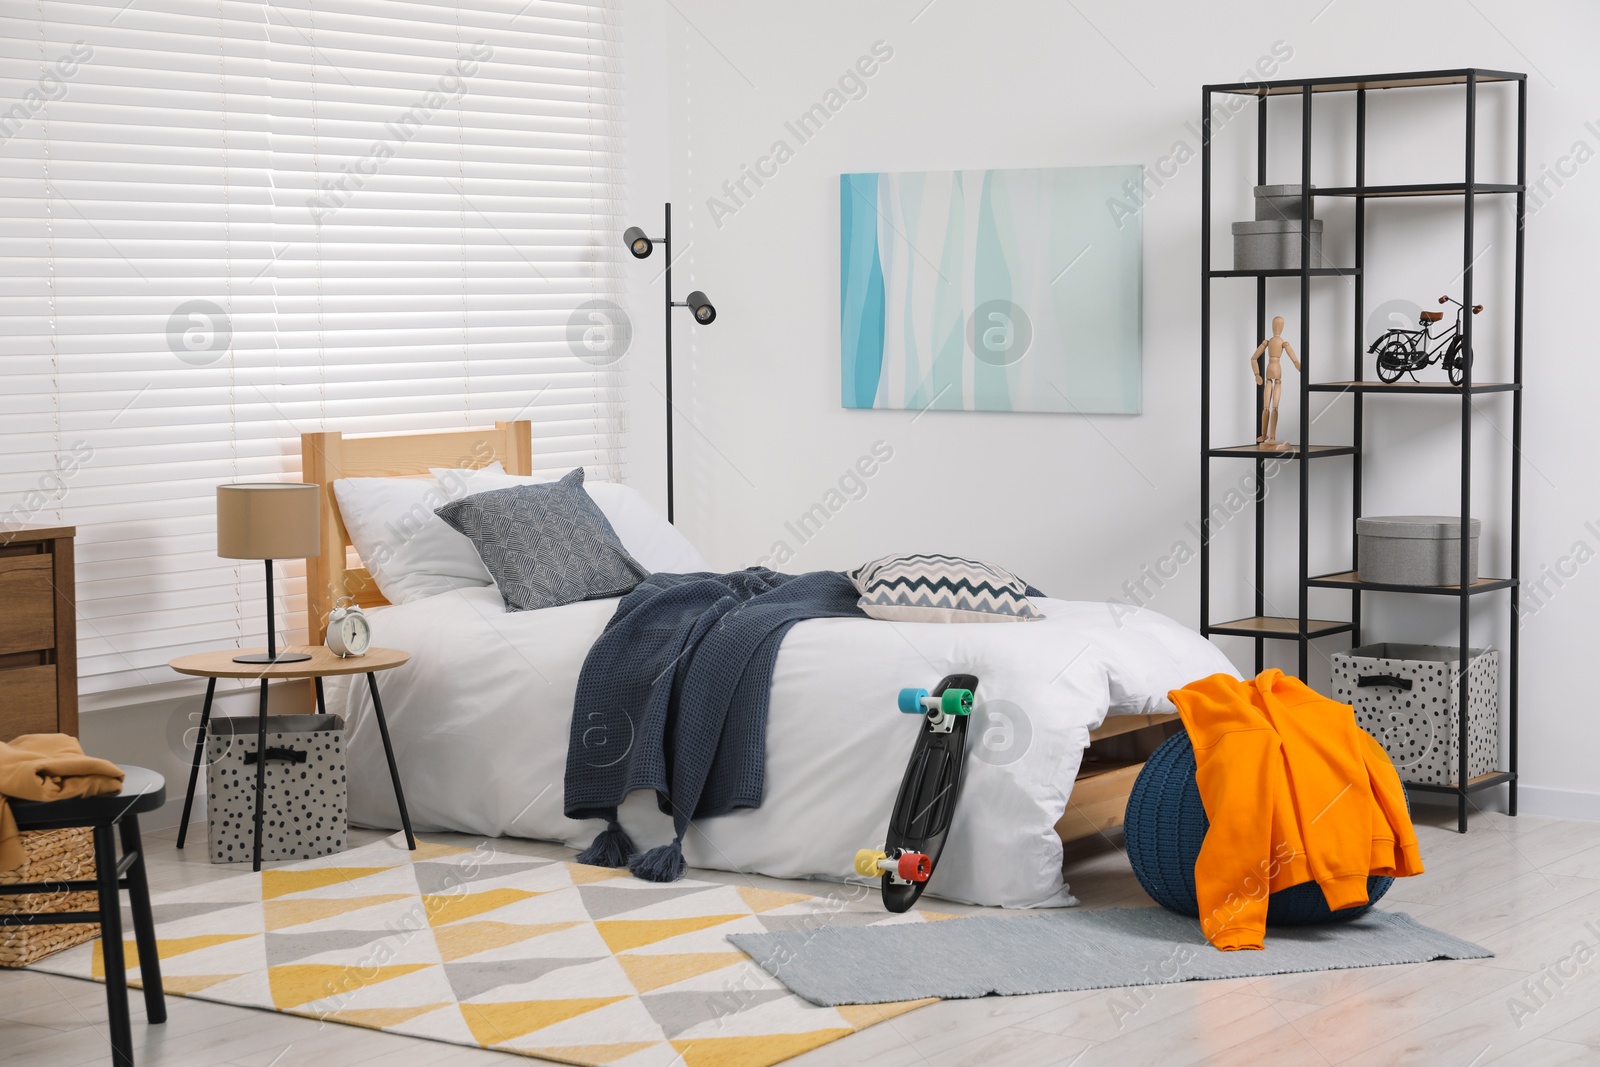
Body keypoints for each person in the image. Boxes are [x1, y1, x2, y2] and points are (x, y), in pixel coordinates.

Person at [1250, 316, 1300, 449]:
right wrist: (1257, 375)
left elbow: (1293, 358)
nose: (1277, 328)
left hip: (1276, 375)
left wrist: (1298, 365)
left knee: (1274, 407)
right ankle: (1264, 434)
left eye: (1279, 325)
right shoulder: (1267, 342)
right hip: (1268, 374)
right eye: (1276, 325)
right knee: (1266, 406)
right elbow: (1253, 358)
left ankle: (1272, 436)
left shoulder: (1283, 343)